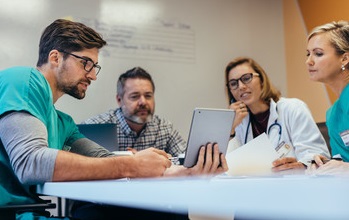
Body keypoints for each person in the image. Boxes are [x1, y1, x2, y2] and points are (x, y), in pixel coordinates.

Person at [0, 19, 227, 219]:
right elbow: (30, 163)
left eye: (94, 66)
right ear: (55, 57)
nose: (92, 75)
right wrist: (132, 164)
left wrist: (180, 172)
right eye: (85, 63)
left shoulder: (63, 123)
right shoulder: (25, 80)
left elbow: (104, 159)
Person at [225, 56, 330, 174]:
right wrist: (230, 128)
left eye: (246, 78)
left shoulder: (292, 108)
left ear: (262, 79)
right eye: (233, 84)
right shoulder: (238, 124)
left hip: (294, 185)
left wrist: (301, 166)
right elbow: (227, 169)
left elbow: (317, 155)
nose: (241, 87)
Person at [82, 66, 186, 158]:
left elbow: (187, 161)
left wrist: (152, 160)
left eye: (148, 96)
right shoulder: (95, 127)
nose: (143, 102)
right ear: (119, 100)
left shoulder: (164, 127)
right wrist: (132, 162)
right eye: (135, 96)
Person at [305, 21, 349, 176]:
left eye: (318, 54)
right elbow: (342, 161)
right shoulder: (332, 114)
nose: (309, 61)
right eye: (308, 54)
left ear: (344, 59)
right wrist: (326, 165)